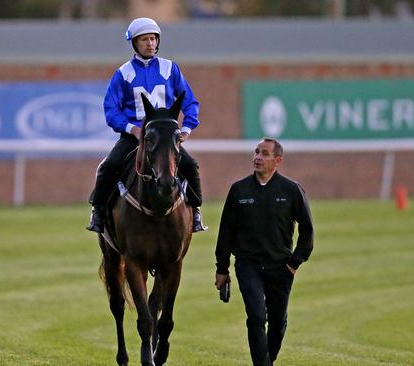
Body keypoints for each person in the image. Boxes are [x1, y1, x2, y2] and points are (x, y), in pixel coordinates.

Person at [86, 17, 207, 233]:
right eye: (144, 40)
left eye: (153, 39)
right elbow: (111, 110)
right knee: (108, 166)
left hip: (165, 138)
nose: (150, 43)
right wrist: (131, 128)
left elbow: (190, 102)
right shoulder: (123, 73)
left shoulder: (171, 69)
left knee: (191, 166)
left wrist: (187, 128)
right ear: (134, 43)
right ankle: (98, 212)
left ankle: (196, 211)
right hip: (133, 137)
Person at [214, 138, 314, 366]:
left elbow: (307, 231)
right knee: (257, 317)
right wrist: (222, 269)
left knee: (278, 324)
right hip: (248, 266)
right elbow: (226, 232)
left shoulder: (291, 190)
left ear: (277, 161)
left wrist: (294, 263)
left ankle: (266, 361)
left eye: (265, 153)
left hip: (281, 267)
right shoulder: (239, 190)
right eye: (256, 152)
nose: (258, 157)